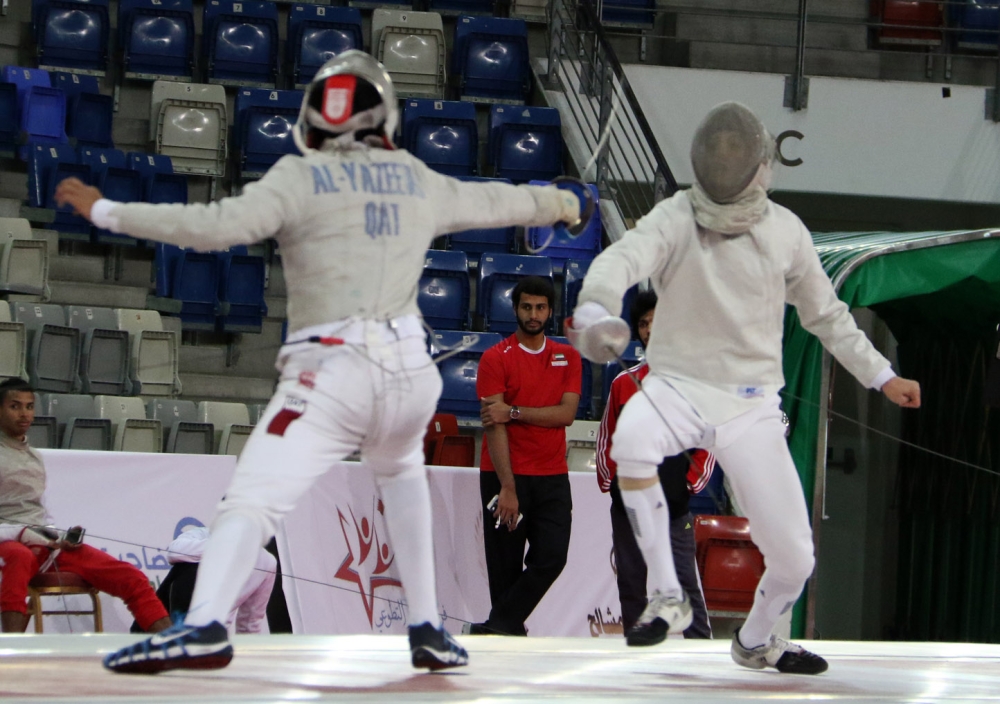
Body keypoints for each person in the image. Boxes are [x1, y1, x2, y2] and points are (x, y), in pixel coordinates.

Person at [55, 51, 590, 673]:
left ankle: (203, 625)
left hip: (333, 371)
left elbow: (209, 226)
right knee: (402, 477)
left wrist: (105, 210)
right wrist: (564, 204)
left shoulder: (299, 175)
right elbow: (503, 202)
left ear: (318, 115)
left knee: (253, 498)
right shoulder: (415, 177)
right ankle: (426, 629)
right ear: (382, 115)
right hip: (409, 373)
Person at [567, 101, 921, 674]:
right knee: (631, 439)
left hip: (751, 407)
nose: (729, 163)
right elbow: (622, 259)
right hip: (677, 386)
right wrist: (596, 308)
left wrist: (883, 375)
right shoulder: (676, 216)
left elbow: (826, 316)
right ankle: (666, 591)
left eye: (738, 154)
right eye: (720, 154)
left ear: (758, 166)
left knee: (795, 558)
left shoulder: (785, 232)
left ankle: (757, 638)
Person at [0, 377, 172, 635]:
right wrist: (22, 533)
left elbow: (40, 513)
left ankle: (172, 646)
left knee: (130, 577)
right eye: (15, 406)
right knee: (20, 556)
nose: (24, 413)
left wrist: (56, 536)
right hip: (9, 544)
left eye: (29, 406)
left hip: (41, 544)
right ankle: (9, 650)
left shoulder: (34, 457)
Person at [597, 290, 713, 638]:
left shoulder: (694, 384)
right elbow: (607, 438)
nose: (650, 329)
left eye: (657, 320)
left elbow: (709, 440)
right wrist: (614, 484)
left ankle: (701, 650)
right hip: (629, 504)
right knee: (632, 583)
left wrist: (688, 484)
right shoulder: (623, 383)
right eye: (644, 323)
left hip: (675, 507)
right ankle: (637, 652)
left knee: (685, 582)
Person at [471, 276, 582, 636]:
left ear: (550, 311)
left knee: (552, 557)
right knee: (504, 570)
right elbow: (493, 425)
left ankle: (496, 627)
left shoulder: (569, 356)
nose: (533, 314)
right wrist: (507, 487)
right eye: (526, 307)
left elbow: (565, 415)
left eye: (540, 307)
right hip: (505, 476)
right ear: (515, 308)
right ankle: (504, 639)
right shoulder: (494, 358)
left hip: (552, 476)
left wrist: (514, 411)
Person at [130, 526, 276, 635]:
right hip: (167, 621)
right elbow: (174, 552)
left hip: (211, 634)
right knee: (187, 564)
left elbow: (250, 621)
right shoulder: (200, 535)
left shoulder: (266, 562)